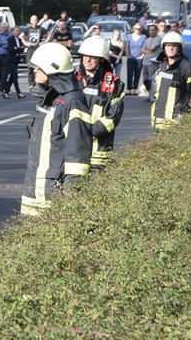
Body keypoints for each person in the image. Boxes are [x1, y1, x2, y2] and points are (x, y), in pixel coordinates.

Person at [20, 43, 92, 216]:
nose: (35, 71)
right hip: (37, 189)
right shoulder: (52, 99)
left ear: (52, 69)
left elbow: (78, 154)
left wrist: (70, 191)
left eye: (39, 67)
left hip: (55, 192)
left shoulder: (72, 102)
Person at [76, 37, 125, 169]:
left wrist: (89, 131)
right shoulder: (74, 80)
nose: (88, 60)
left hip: (99, 150)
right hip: (74, 148)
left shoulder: (113, 84)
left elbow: (113, 116)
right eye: (85, 56)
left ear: (101, 59)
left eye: (93, 57)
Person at [151, 31, 191, 130]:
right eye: (168, 45)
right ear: (163, 47)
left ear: (180, 48)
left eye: (174, 45)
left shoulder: (187, 67)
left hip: (177, 123)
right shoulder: (162, 66)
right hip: (159, 121)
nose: (171, 48)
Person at [139, 23, 162, 99]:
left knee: (151, 80)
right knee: (145, 81)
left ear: (156, 30)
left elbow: (152, 48)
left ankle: (152, 96)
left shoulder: (159, 39)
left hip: (153, 63)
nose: (151, 32)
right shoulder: (147, 40)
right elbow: (142, 50)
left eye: (153, 30)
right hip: (145, 62)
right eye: (150, 30)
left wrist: (147, 50)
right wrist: (147, 51)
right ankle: (149, 95)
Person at [24, 15, 45, 91]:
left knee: (39, 67)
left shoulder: (41, 29)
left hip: (38, 50)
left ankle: (40, 82)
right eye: (33, 20)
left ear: (37, 21)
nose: (34, 22)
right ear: (30, 21)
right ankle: (31, 83)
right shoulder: (28, 29)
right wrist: (26, 43)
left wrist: (44, 42)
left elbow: (49, 35)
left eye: (35, 20)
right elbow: (21, 36)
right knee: (30, 67)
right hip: (30, 50)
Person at [0, 22, 14, 98]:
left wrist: (2, 43)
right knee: (0, 73)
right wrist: (4, 43)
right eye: (0, 27)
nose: (1, 29)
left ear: (6, 28)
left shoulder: (10, 35)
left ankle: (0, 89)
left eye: (2, 27)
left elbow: (9, 45)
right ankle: (5, 88)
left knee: (5, 73)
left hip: (6, 56)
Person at [125, 23, 146, 95]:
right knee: (130, 74)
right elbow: (127, 46)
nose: (137, 30)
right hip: (131, 58)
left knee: (137, 74)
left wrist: (142, 56)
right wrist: (127, 55)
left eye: (139, 29)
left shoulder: (143, 37)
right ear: (133, 29)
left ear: (141, 29)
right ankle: (129, 89)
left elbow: (145, 47)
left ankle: (134, 89)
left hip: (139, 58)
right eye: (136, 29)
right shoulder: (129, 36)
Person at [8, 26, 27, 98]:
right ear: (13, 31)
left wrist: (17, 48)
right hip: (10, 59)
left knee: (12, 77)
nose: (18, 32)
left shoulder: (19, 40)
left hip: (16, 59)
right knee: (15, 76)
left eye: (19, 31)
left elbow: (22, 49)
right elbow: (11, 49)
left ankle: (6, 91)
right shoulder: (10, 39)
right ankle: (18, 92)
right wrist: (17, 48)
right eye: (16, 30)